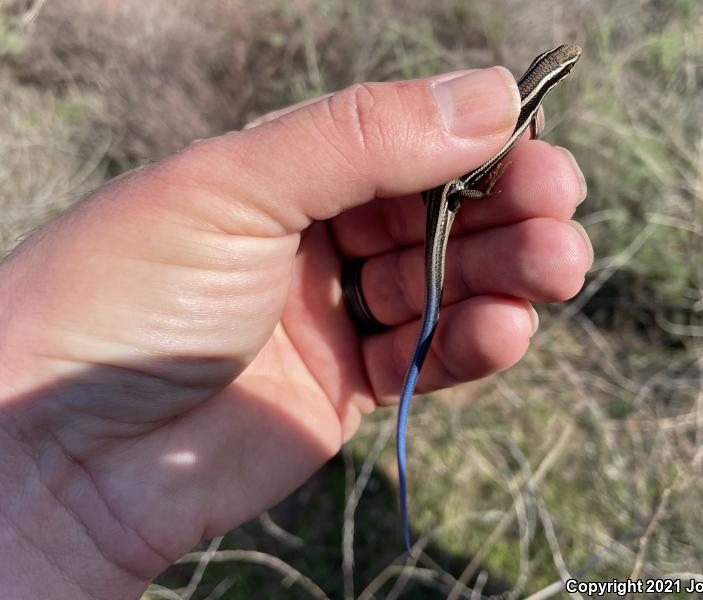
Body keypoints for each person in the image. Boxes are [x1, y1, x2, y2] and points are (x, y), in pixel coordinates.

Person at [0, 65, 591, 598]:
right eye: (563, 67)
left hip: (452, 194)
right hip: (453, 194)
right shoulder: (516, 112)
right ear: (553, 77)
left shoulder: (522, 104)